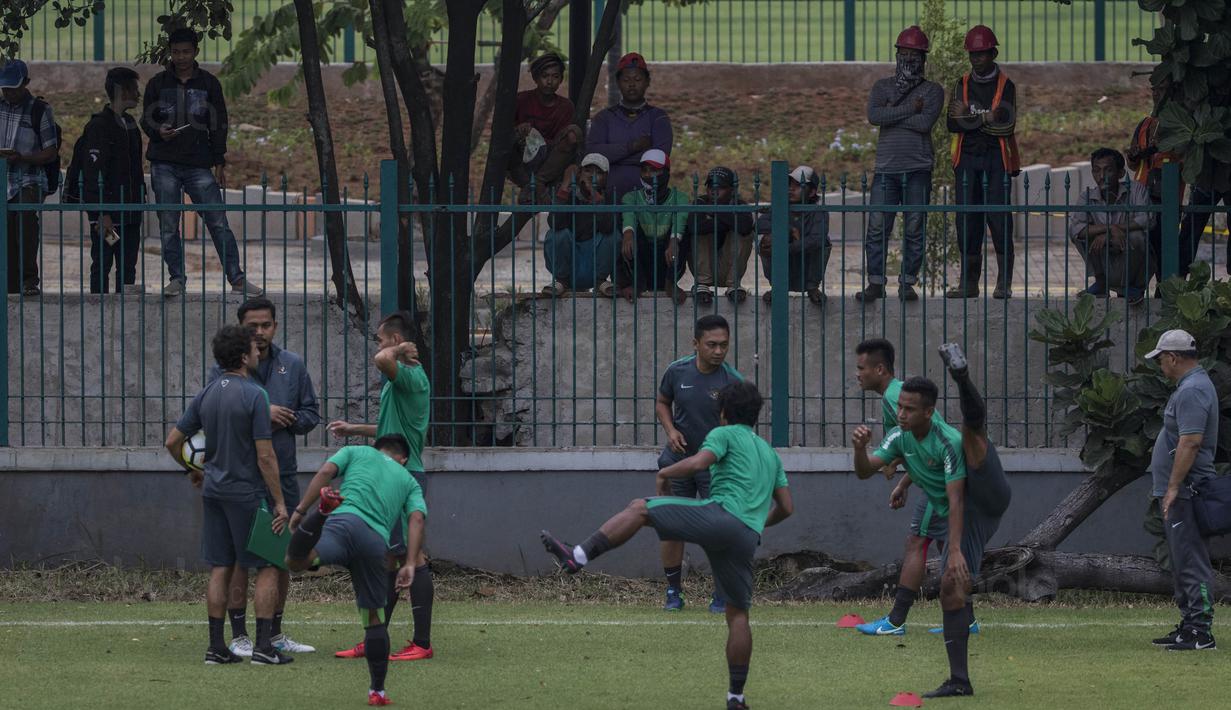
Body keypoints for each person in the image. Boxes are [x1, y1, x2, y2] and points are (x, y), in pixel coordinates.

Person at [541, 381, 793, 710]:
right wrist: (756, 524)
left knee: (640, 508)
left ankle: (577, 556)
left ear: (723, 413)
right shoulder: (770, 454)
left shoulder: (724, 433)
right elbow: (787, 508)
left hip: (719, 516)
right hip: (746, 537)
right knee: (738, 616)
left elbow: (699, 462)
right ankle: (736, 697)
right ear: (756, 415)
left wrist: (665, 473)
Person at [852, 345, 1012, 698]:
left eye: (910, 409)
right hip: (961, 510)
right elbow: (865, 472)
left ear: (930, 412)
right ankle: (959, 682)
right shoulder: (900, 435)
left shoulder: (947, 441)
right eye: (900, 409)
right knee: (951, 590)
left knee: (973, 435)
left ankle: (962, 377)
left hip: (985, 493)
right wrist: (859, 450)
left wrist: (953, 551)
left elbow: (957, 499)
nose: (902, 414)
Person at [164, 324, 291, 666]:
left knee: (221, 565)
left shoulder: (206, 394)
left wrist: (192, 470)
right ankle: (264, 648)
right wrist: (279, 502)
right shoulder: (255, 395)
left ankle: (216, 648)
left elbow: (172, 442)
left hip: (214, 492)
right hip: (247, 493)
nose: (258, 351)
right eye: (254, 347)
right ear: (243, 355)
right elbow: (265, 455)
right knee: (268, 562)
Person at [205, 298, 320, 659]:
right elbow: (216, 416)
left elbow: (310, 414)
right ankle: (239, 635)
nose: (259, 332)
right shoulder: (223, 371)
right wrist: (258, 412)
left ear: (275, 326)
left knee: (280, 555)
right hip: (241, 478)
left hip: (281, 473)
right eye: (252, 326)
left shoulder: (292, 364)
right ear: (241, 328)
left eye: (266, 325)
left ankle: (273, 633)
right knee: (242, 558)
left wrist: (286, 419)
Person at [286, 435, 427, 706]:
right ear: (404, 459)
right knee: (375, 618)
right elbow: (417, 518)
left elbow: (327, 471)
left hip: (342, 523)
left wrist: (302, 509)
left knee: (296, 562)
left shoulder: (357, 451)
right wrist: (409, 563)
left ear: (376, 449)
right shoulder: (409, 479)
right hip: (374, 541)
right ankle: (378, 691)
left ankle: (321, 513)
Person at [327, 311, 435, 662]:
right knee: (388, 558)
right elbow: (392, 428)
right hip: (388, 474)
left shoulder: (412, 377)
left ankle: (422, 642)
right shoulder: (400, 381)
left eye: (380, 338)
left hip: (405, 477)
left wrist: (400, 347)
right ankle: (376, 638)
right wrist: (354, 429)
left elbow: (380, 359)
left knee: (412, 557)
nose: (376, 345)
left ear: (393, 341)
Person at [850, 339, 975, 637]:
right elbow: (912, 448)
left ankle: (896, 621)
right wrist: (904, 480)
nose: (857, 374)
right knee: (944, 544)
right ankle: (967, 620)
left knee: (917, 542)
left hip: (944, 486)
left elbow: (927, 445)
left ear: (879, 369)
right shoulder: (897, 395)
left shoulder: (895, 399)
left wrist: (899, 473)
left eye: (861, 367)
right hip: (937, 480)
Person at [142, 28, 262, 298]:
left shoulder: (208, 84)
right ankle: (177, 278)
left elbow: (218, 124)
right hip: (164, 162)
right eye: (175, 52)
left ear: (196, 52)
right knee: (169, 223)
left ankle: (237, 278)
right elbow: (146, 118)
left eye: (186, 51)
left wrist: (219, 160)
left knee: (218, 221)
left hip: (199, 164)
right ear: (170, 53)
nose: (181, 57)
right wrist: (157, 131)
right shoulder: (158, 84)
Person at [655, 315, 744, 612]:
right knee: (672, 527)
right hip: (678, 461)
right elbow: (662, 402)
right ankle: (673, 592)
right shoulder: (676, 371)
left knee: (718, 530)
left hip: (716, 470)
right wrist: (671, 431)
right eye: (712, 345)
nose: (719, 351)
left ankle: (721, 593)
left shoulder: (734, 382)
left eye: (724, 345)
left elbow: (741, 430)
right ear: (695, 344)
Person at [858, 27, 944, 303]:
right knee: (876, 228)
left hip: (918, 169)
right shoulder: (881, 87)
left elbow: (924, 124)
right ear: (896, 55)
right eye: (903, 53)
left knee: (914, 228)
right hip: (886, 169)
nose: (908, 58)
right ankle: (875, 282)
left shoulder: (932, 91)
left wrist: (890, 114)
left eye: (914, 54)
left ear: (923, 58)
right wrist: (909, 108)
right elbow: (873, 115)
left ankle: (907, 282)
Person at [1145, 329, 1219, 652]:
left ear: (1173, 358)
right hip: (1180, 490)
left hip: (1186, 490)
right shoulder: (1192, 387)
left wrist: (1174, 486)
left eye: (1161, 360)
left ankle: (1201, 631)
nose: (1161, 366)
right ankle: (1189, 627)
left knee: (1191, 559)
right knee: (1182, 558)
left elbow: (1190, 442)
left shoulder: (1192, 391)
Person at [946, 25, 1022, 300]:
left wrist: (970, 117)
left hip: (996, 161)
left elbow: (1007, 126)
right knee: (967, 221)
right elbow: (952, 123)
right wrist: (987, 118)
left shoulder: (1006, 85)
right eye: (972, 54)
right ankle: (969, 282)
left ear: (993, 53)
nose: (976, 59)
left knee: (999, 220)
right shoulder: (961, 84)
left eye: (981, 54)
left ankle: (1004, 282)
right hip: (966, 160)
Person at [65, 67, 146, 294]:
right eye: (134, 89)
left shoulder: (130, 125)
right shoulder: (99, 127)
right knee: (103, 263)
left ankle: (125, 317)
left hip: (130, 216)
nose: (138, 95)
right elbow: (92, 174)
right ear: (122, 91)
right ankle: (98, 313)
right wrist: (101, 213)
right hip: (108, 217)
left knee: (128, 268)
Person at [1, 59, 59, 296]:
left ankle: (29, 279)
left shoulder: (40, 110)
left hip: (28, 178)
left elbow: (50, 151)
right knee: (6, 231)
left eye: (13, 88)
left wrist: (23, 157)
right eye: (5, 88)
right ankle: (11, 284)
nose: (9, 93)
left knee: (24, 217)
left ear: (25, 84)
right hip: (3, 179)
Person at [1068, 148, 1152, 305]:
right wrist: (1110, 229)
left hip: (1132, 254)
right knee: (1081, 235)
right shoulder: (1087, 196)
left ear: (1120, 173)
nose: (1101, 176)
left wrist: (1115, 230)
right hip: (1105, 253)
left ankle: (1131, 286)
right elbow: (1076, 229)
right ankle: (1101, 282)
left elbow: (1147, 219)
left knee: (1137, 236)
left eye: (1108, 170)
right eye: (1096, 171)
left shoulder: (1135, 190)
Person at [585, 53, 673, 200]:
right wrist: (633, 147)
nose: (632, 84)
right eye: (626, 80)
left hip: (647, 198)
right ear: (618, 82)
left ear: (647, 82)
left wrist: (614, 156)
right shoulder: (603, 118)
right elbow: (594, 153)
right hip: (608, 197)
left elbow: (659, 158)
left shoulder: (658, 118)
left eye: (637, 79)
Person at [1126, 79, 1186, 286]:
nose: (1156, 94)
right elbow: (1133, 164)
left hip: (1166, 197)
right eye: (1154, 90)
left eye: (1162, 89)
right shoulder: (1145, 124)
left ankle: (1165, 291)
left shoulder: (1181, 124)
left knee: (1163, 249)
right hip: (1141, 194)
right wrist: (1134, 155)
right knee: (1140, 246)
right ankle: (1136, 288)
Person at [615, 149, 690, 303]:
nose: (648, 175)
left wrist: (674, 239)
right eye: (645, 170)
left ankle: (670, 283)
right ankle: (637, 284)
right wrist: (628, 234)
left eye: (654, 170)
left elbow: (680, 220)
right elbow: (628, 216)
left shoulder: (680, 198)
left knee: (686, 231)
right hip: (641, 256)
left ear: (666, 173)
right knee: (624, 229)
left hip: (668, 256)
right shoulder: (631, 197)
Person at [541, 153, 619, 296]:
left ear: (606, 177)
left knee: (613, 235)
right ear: (579, 173)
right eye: (588, 171)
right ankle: (562, 281)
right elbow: (554, 223)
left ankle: (600, 281)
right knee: (557, 234)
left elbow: (608, 228)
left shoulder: (609, 196)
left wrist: (597, 199)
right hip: (570, 262)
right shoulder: (567, 193)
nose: (592, 176)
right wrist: (564, 187)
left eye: (599, 173)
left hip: (592, 261)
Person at [755, 165, 831, 307]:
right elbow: (759, 225)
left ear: (812, 192)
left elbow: (816, 239)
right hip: (786, 262)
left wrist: (786, 247)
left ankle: (812, 287)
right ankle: (777, 287)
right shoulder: (779, 207)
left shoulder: (818, 212)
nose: (791, 188)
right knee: (767, 240)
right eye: (790, 184)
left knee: (823, 243)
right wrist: (789, 231)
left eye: (798, 185)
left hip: (807, 263)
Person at [511, 52, 581, 193]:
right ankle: (531, 185)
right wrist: (519, 131)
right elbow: (504, 132)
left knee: (574, 132)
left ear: (561, 79)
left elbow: (563, 142)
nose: (549, 82)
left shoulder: (566, 106)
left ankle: (537, 183)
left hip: (551, 157)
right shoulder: (521, 100)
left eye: (555, 77)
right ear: (536, 78)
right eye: (545, 76)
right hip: (523, 156)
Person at [688, 167, 755, 305]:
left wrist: (715, 212)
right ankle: (702, 285)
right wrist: (728, 220)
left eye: (721, 187)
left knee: (743, 234)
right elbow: (694, 227)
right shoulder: (700, 202)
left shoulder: (739, 204)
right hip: (705, 266)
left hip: (728, 267)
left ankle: (733, 285)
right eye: (711, 186)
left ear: (731, 189)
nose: (714, 190)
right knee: (698, 233)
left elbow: (745, 227)